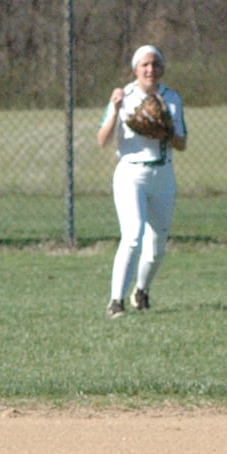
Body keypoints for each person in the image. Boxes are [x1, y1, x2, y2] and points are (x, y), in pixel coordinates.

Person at [96, 44, 187, 319]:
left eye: (155, 64)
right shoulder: (123, 97)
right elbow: (102, 140)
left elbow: (181, 144)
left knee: (157, 243)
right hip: (131, 175)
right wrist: (113, 109)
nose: (150, 69)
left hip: (163, 175)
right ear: (135, 68)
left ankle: (141, 291)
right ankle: (116, 301)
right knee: (133, 236)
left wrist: (166, 131)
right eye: (144, 64)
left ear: (162, 68)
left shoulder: (172, 99)